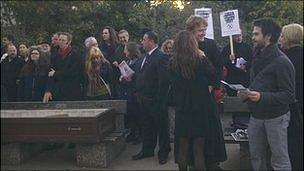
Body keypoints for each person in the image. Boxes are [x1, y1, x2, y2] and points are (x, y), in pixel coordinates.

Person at [238, 18, 295, 171]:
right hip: (256, 116)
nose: (252, 37)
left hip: (276, 118)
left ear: (268, 37)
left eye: (256, 34)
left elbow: (289, 95)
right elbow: (258, 83)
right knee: (256, 157)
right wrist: (247, 93)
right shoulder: (256, 56)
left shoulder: (282, 62)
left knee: (279, 159)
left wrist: (262, 97)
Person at [169, 30, 217, 170]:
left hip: (183, 109)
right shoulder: (200, 60)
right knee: (198, 149)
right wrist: (204, 56)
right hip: (200, 108)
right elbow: (213, 75)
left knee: (182, 148)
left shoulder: (172, 63)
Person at [185, 15, 227, 170]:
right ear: (190, 31)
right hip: (189, 99)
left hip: (206, 98)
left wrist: (212, 85)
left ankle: (212, 163)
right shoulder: (183, 46)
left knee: (210, 133)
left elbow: (219, 67)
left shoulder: (210, 45)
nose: (203, 33)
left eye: (204, 30)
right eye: (200, 30)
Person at [132, 31, 171, 165]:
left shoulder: (161, 57)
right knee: (147, 126)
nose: (141, 42)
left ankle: (164, 152)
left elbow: (164, 81)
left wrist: (160, 100)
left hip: (156, 100)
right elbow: (141, 74)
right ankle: (147, 150)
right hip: (143, 99)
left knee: (162, 127)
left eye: (144, 39)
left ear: (152, 41)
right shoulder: (144, 57)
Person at [279, 23, 303, 171]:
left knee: (291, 145)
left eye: (282, 36)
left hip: (290, 106)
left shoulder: (283, 59)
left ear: (288, 38)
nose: (280, 39)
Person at [43, 32, 84, 102]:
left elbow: (73, 72)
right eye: (59, 40)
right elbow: (50, 74)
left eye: (63, 40)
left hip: (72, 91)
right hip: (57, 92)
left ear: (69, 42)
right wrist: (48, 90)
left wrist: (56, 73)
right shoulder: (54, 56)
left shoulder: (76, 56)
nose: (60, 42)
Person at [118, 41, 142, 144]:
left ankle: (138, 135)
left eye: (126, 50)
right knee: (131, 114)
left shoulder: (138, 62)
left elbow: (137, 77)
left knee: (137, 115)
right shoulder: (128, 62)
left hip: (134, 91)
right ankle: (132, 133)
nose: (124, 52)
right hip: (127, 91)